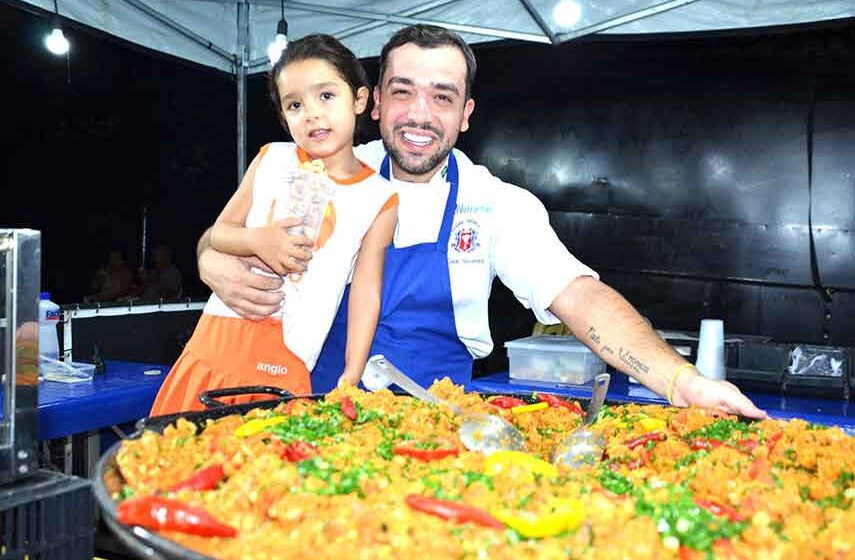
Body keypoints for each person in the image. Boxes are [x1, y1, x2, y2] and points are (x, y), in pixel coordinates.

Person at [196, 25, 765, 418]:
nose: (420, 114)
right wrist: (210, 259)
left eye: (442, 97)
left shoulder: (497, 206)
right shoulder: (322, 171)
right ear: (373, 105)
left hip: (436, 434)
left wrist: (680, 381)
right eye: (403, 92)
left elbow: (581, 299)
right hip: (303, 408)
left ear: (465, 115)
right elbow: (228, 233)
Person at [149, 34, 397, 415]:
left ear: (360, 100)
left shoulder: (379, 197)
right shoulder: (271, 160)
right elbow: (219, 234)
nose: (312, 113)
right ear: (284, 117)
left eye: (326, 96)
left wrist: (352, 372)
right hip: (216, 340)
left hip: (291, 358)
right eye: (295, 104)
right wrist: (257, 239)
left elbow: (367, 291)